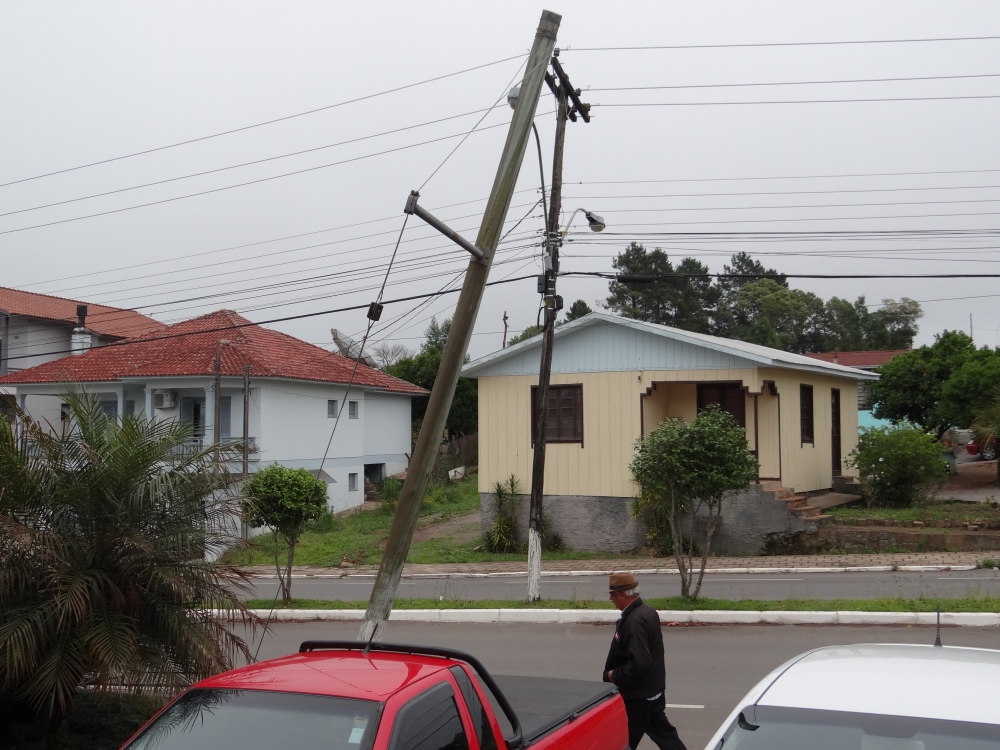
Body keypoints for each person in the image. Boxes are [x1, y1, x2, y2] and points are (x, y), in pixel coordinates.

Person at [603, 573, 687, 750]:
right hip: (652, 692)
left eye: (613, 594)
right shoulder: (647, 612)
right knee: (665, 736)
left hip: (637, 698)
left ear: (623, 594)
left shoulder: (634, 621)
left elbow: (640, 663)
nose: (611, 598)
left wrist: (614, 675)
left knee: (622, 742)